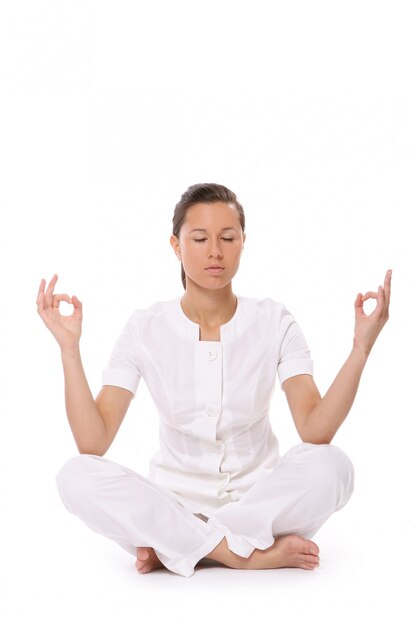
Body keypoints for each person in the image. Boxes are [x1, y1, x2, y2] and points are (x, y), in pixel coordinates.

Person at [36, 182, 392, 578]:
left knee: (334, 466)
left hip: (260, 504)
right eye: (200, 238)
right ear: (176, 245)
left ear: (243, 241)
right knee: (75, 476)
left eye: (228, 237)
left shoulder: (274, 321)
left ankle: (179, 548)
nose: (215, 252)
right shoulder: (144, 328)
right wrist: (69, 348)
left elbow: (315, 429)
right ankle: (243, 554)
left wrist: (361, 347)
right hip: (172, 504)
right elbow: (93, 441)